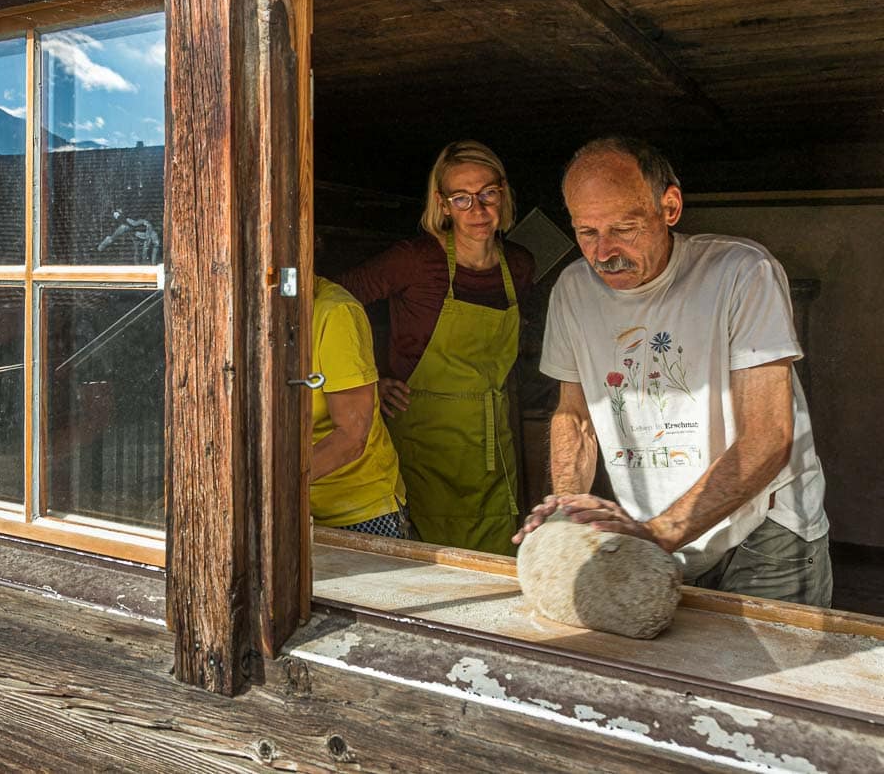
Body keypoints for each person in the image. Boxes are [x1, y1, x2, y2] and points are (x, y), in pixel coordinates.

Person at [514, 136, 831, 606]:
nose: (605, 253)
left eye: (624, 227)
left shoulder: (741, 272)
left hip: (766, 532)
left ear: (670, 206)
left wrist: (658, 534)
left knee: (771, 677)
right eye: (587, 233)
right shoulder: (572, 291)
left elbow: (767, 437)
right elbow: (575, 416)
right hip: (659, 527)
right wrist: (568, 507)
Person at [338, 141, 534, 553]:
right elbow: (335, 303)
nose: (477, 210)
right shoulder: (414, 260)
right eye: (461, 198)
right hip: (423, 441)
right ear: (442, 204)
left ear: (504, 194)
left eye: (488, 194)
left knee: (496, 557)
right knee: (431, 561)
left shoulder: (519, 265)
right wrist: (371, 378)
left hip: (492, 441)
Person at [310, 276, 407, 537]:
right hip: (300, 506)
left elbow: (351, 437)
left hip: (359, 512)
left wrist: (274, 487)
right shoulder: (246, 311)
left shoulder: (336, 313)